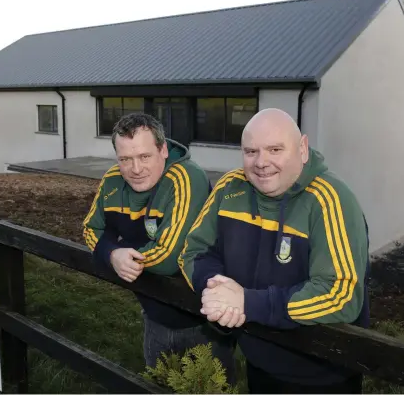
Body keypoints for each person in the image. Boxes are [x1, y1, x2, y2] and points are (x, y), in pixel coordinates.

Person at [178, 108, 370, 393]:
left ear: (302, 149)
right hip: (259, 362)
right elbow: (193, 250)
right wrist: (216, 290)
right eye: (251, 151)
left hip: (322, 374)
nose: (261, 162)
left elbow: (340, 294)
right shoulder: (230, 188)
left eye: (275, 149)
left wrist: (248, 303)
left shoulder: (331, 200)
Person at [82, 112, 236, 380]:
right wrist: (112, 253)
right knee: (158, 384)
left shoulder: (187, 177)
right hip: (154, 314)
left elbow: (169, 257)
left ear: (163, 150)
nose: (136, 168)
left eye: (144, 156)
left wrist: (118, 251)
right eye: (125, 159)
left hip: (203, 320)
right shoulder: (113, 180)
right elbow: (90, 229)